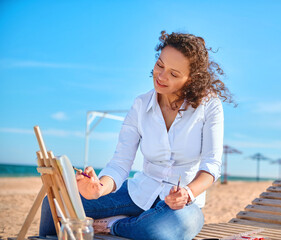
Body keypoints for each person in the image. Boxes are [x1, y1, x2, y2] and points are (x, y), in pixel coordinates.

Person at [39, 31, 233, 240]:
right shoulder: (140, 104)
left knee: (157, 232)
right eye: (160, 65)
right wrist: (98, 188)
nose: (161, 76)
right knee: (55, 202)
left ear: (191, 80)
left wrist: (188, 193)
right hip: (138, 192)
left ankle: (114, 225)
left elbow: (211, 165)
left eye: (174, 74)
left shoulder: (210, 105)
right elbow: (120, 163)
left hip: (182, 205)